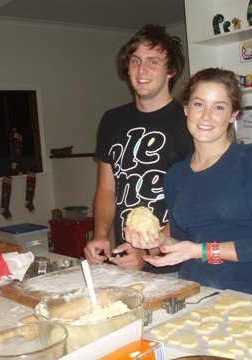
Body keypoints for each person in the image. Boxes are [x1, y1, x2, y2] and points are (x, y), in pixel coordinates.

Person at [125, 68, 252, 298]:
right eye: (199, 104)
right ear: (186, 108)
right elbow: (184, 244)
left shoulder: (251, 162)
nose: (206, 116)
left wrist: (200, 251)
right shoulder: (176, 175)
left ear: (233, 114)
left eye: (219, 107)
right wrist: (158, 239)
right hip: (192, 296)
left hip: (245, 298)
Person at [84, 24, 194, 271]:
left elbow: (192, 202)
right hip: (128, 262)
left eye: (153, 61)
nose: (142, 69)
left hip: (174, 266)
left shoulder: (189, 121)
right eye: (136, 61)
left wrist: (147, 250)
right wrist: (100, 234)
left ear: (171, 71)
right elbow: (106, 189)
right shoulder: (111, 120)